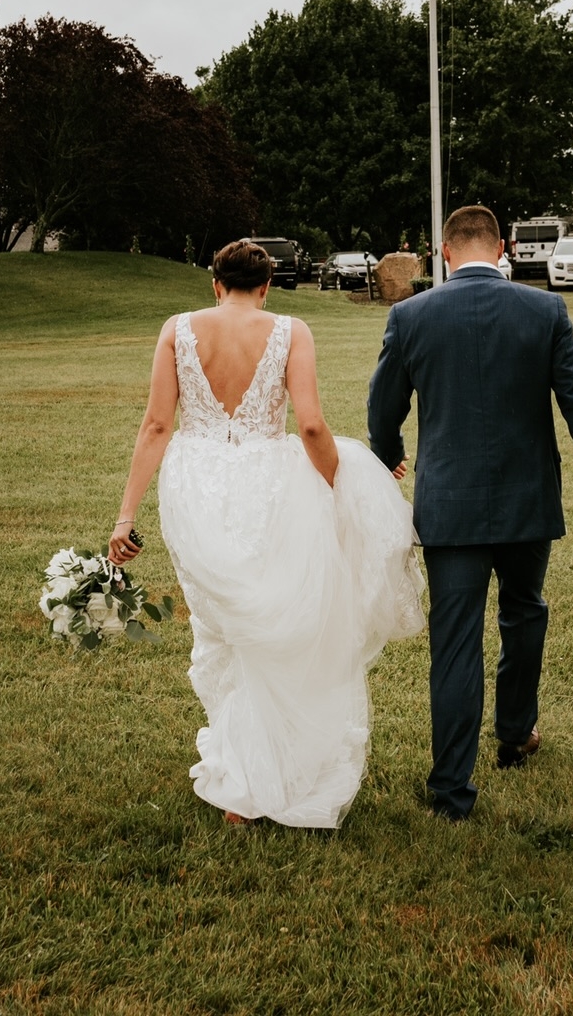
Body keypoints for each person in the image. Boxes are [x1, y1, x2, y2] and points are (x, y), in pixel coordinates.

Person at [109, 239, 422, 828]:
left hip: (194, 491)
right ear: (268, 284)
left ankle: (245, 781)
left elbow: (156, 424)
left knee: (225, 631)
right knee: (275, 627)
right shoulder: (291, 329)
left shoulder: (177, 329)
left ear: (214, 283)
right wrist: (343, 489)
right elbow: (308, 424)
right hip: (267, 488)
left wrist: (126, 516)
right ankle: (264, 776)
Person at [367, 204, 573, 820]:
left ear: (446, 252)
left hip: (450, 506)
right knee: (524, 611)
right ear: (504, 247)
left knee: (454, 640)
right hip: (525, 500)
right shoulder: (545, 310)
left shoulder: (410, 316)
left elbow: (383, 407)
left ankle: (451, 791)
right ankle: (514, 735)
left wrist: (389, 454)